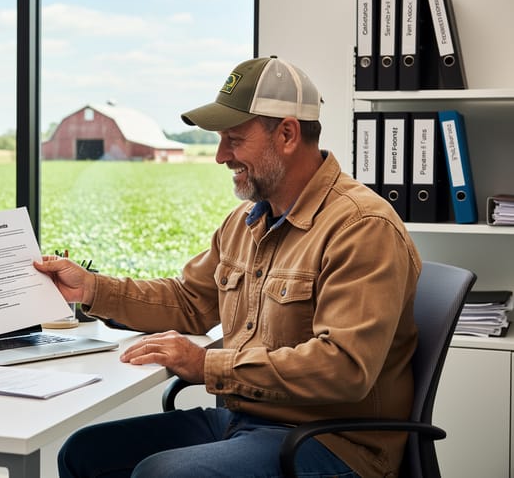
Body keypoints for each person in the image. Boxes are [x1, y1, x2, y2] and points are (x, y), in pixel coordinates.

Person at [35, 57, 421, 478]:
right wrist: (91, 289)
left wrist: (208, 366)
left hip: (330, 442)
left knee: (163, 475)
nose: (220, 156)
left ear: (288, 134)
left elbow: (343, 368)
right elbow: (189, 302)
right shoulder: (246, 222)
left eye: (234, 139)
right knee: (84, 454)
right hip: (245, 423)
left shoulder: (361, 226)